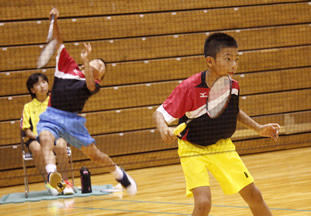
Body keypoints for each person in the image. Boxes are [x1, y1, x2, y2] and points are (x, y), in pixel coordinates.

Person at [153, 33, 280, 216]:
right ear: (210, 61)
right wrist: (163, 128)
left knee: (254, 195)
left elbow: (232, 111)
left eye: (236, 59)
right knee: (203, 204)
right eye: (228, 59)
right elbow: (159, 113)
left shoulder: (233, 86)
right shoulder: (190, 87)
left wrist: (258, 128)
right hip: (192, 148)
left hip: (222, 147)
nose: (233, 65)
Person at [37, 8, 137, 195]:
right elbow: (58, 42)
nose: (97, 64)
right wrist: (55, 20)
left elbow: (90, 84)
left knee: (95, 155)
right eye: (97, 61)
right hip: (52, 115)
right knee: (45, 140)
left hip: (72, 121)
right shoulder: (67, 64)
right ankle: (54, 179)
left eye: (101, 66)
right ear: (84, 65)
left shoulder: (94, 83)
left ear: (101, 75)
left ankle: (119, 174)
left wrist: (87, 59)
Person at [22, 73, 74, 195]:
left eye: (44, 82)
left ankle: (65, 183)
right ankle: (51, 182)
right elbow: (27, 130)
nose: (42, 86)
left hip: (55, 136)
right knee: (35, 148)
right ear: (32, 90)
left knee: (61, 145)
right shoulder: (28, 107)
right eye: (38, 84)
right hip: (36, 138)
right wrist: (38, 137)